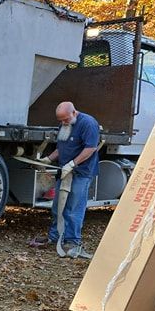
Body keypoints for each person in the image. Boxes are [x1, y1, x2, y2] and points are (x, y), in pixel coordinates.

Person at [34, 101, 100, 258]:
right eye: (61, 120)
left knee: (73, 207)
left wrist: (72, 163)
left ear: (74, 113)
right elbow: (61, 148)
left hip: (81, 172)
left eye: (65, 119)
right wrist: (48, 160)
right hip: (65, 171)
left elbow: (90, 148)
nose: (63, 123)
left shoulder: (88, 123)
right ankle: (54, 236)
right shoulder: (64, 124)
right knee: (58, 205)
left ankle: (72, 241)